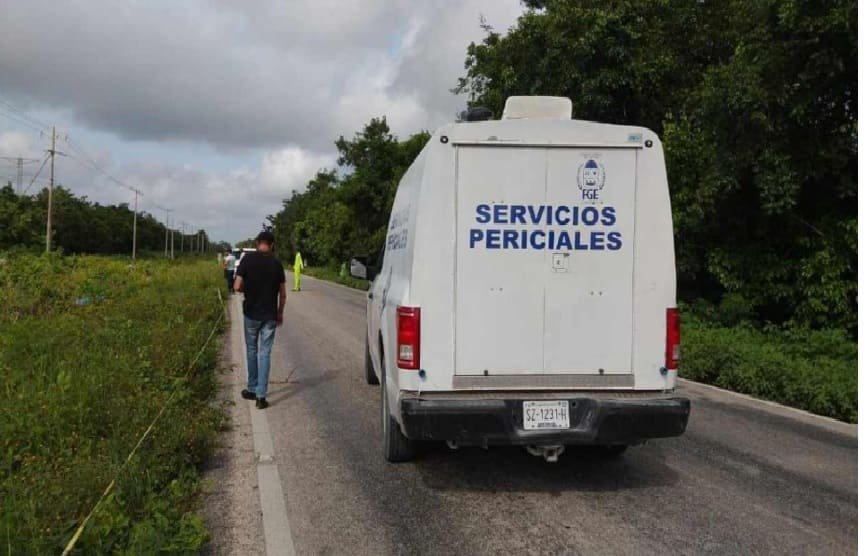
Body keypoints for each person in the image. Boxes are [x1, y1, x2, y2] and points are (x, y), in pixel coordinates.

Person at [234, 232, 286, 409]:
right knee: (265, 353)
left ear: (258, 243)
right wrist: (280, 312)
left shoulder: (247, 260)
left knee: (251, 350)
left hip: (251, 314)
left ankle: (252, 388)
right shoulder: (277, 263)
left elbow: (237, 286)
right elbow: (283, 294)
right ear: (272, 245)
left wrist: (248, 289)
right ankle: (261, 397)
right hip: (270, 315)